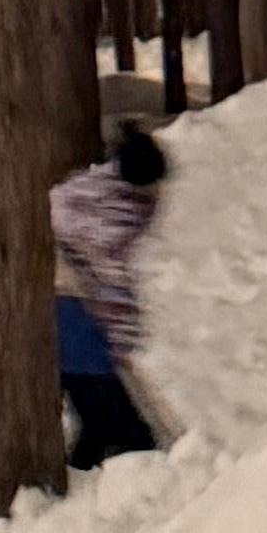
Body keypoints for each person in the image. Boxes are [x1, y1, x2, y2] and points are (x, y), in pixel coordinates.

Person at [50, 120, 171, 470]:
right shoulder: (120, 217)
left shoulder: (80, 191)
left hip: (58, 320)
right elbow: (113, 286)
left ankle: (78, 480)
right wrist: (122, 340)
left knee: (95, 422)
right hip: (83, 329)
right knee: (132, 434)